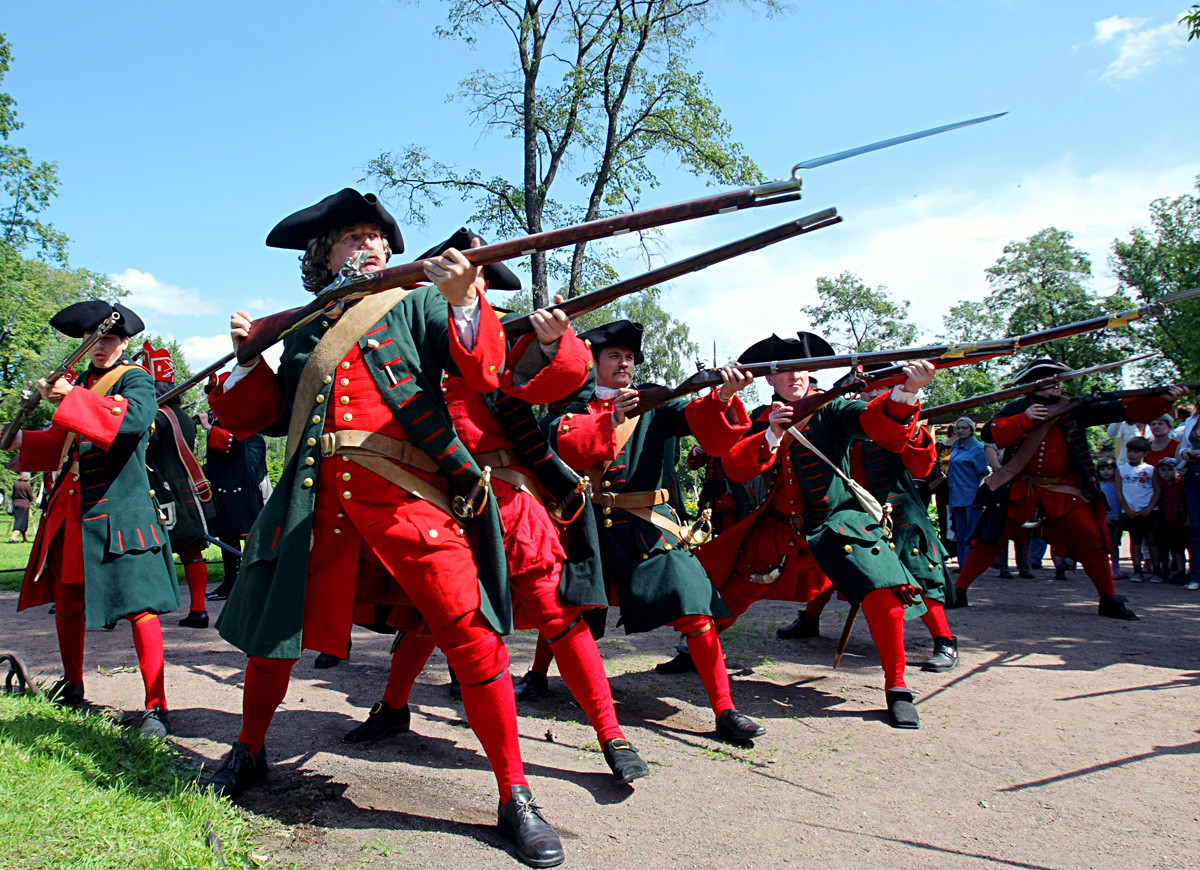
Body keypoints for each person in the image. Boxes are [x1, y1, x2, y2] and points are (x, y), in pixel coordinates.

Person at [202, 189, 564, 868]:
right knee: (272, 634)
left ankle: (515, 792)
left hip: (406, 495)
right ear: (323, 256)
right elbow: (262, 417)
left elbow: (480, 366)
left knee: (473, 635)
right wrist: (247, 358)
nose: (367, 246)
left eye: (376, 238)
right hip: (313, 501)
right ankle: (248, 750)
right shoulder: (306, 325)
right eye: (350, 238)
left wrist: (462, 300)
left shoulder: (416, 302)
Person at [343, 229, 649, 785]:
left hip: (505, 499)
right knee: (429, 617)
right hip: (430, 498)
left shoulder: (500, 335)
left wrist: (558, 343)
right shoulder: (401, 334)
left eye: (480, 274)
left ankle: (611, 734)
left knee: (559, 615)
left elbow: (559, 381)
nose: (469, 280)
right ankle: (393, 707)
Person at [690, 333, 939, 729]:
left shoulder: (835, 408)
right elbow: (737, 465)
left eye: (803, 368)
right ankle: (696, 652)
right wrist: (771, 432)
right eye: (785, 370)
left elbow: (879, 425)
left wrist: (908, 390)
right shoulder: (763, 415)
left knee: (884, 594)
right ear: (769, 380)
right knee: (733, 594)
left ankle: (897, 688)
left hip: (839, 524)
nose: (795, 376)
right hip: (779, 525)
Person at [546, 319, 767, 742]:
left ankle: (724, 709)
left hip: (648, 529)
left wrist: (723, 395)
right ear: (593, 363)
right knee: (567, 607)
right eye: (614, 355)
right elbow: (562, 446)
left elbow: (705, 427)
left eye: (629, 357)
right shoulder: (572, 409)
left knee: (695, 609)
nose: (624, 363)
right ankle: (538, 676)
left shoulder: (658, 406)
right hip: (587, 528)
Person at [5, 301, 179, 738]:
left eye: (108, 339)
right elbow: (59, 445)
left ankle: (156, 707)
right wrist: (15, 438)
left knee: (142, 609)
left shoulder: (136, 379)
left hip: (122, 507)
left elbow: (134, 423)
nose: (99, 346)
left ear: (124, 342)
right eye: (92, 340)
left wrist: (72, 398)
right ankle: (73, 686)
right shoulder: (80, 384)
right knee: (66, 603)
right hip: (71, 508)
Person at [950, 358, 1182, 620]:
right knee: (988, 539)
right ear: (1032, 384)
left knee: (1092, 539)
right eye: (1047, 378)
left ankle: (1108, 597)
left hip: (1065, 488)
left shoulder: (1075, 406)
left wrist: (1163, 400)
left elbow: (1123, 409)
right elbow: (992, 434)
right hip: (1021, 486)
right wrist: (1024, 419)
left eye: (1056, 378)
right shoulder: (1017, 407)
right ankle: (958, 590)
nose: (1056, 383)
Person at [142, 342, 213, 628]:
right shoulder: (182, 415)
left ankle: (151, 609)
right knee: (191, 553)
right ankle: (198, 609)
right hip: (185, 490)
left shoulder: (155, 417)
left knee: (151, 551)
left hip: (159, 490)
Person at [200, 409, 266, 604]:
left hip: (243, 498)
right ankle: (231, 584)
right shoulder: (224, 429)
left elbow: (234, 446)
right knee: (228, 542)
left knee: (251, 543)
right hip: (225, 497)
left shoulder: (249, 435)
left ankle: (256, 586)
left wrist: (209, 427)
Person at [946, 416, 990, 569]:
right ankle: (963, 564)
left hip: (972, 498)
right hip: (956, 497)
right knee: (959, 533)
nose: (960, 430)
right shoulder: (955, 446)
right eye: (958, 428)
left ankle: (971, 565)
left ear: (971, 430)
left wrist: (980, 496)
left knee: (971, 534)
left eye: (964, 428)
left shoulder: (978, 448)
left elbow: (984, 474)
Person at [1117, 436, 1158, 582]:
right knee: (1135, 541)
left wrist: (1150, 507)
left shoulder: (1151, 469)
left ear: (1145, 453)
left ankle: (1156, 570)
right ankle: (1137, 570)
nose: (1132, 454)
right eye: (1129, 451)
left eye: (1136, 452)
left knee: (1152, 540)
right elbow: (1119, 492)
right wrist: (1127, 509)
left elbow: (1157, 490)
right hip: (1130, 512)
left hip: (1149, 511)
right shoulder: (1121, 470)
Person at [1150, 457, 1188, 582]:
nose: (1167, 473)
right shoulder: (1162, 486)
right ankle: (1168, 569)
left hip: (1182, 520)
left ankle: (1182, 570)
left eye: (1171, 469)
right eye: (1163, 470)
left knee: (1181, 547)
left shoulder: (1183, 484)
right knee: (1168, 546)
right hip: (1167, 521)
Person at [1176, 399, 1200, 591]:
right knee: (1196, 526)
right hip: (1193, 475)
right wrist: (1186, 453)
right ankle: (1197, 575)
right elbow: (1184, 445)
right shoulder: (1192, 420)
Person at [1096, 457, 1126, 580]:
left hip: (1118, 518)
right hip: (1105, 519)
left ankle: (1115, 568)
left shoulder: (1120, 485)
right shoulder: (1099, 486)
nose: (1106, 472)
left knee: (1114, 545)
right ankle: (1102, 568)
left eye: (1109, 468)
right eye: (1102, 469)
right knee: (1103, 545)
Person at [9, 472, 33, 543]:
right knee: (20, 521)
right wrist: (30, 500)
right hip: (24, 505)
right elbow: (30, 496)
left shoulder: (16, 484)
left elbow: (13, 494)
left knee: (22, 521)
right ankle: (13, 538)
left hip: (16, 504)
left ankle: (24, 538)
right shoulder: (27, 485)